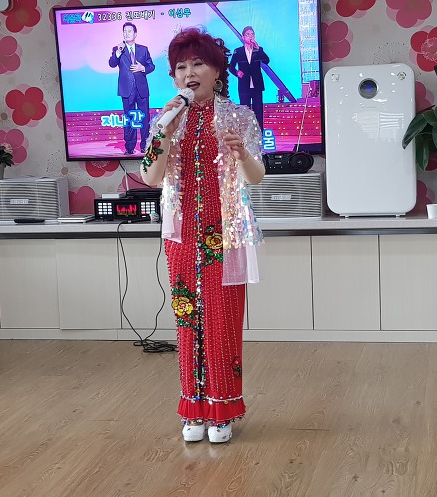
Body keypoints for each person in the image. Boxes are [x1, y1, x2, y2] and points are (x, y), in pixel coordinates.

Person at [139, 28, 265, 444]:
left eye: (198, 63)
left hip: (224, 233)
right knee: (186, 319)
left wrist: (241, 155)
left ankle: (222, 410)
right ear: (174, 77)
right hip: (181, 236)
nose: (188, 73)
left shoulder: (239, 117)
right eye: (180, 67)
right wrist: (163, 133)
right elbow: (150, 177)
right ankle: (193, 408)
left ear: (216, 71)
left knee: (222, 320)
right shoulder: (166, 119)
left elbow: (257, 177)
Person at [108, 22, 155, 154]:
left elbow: (151, 66)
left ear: (135, 34)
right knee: (129, 119)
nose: (126, 33)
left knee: (144, 118)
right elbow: (112, 63)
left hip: (142, 89)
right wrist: (118, 52)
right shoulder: (118, 49)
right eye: (124, 31)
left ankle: (145, 145)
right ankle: (129, 147)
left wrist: (143, 68)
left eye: (129, 31)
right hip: (126, 90)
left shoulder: (143, 49)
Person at [228, 26, 270, 130]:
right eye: (248, 34)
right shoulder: (238, 51)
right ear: (243, 37)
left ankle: (259, 133)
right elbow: (231, 67)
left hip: (257, 85)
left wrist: (258, 49)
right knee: (244, 111)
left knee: (258, 111)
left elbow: (266, 61)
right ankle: (245, 133)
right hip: (244, 85)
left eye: (252, 34)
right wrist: (237, 72)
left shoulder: (258, 50)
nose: (250, 36)